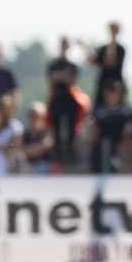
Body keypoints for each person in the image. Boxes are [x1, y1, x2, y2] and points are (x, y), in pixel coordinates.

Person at [45, 36, 84, 168]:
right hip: (56, 99)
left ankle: (71, 158)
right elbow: (51, 80)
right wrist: (62, 76)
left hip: (69, 101)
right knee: (55, 132)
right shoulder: (53, 64)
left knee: (72, 131)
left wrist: (60, 76)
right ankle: (57, 159)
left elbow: (72, 81)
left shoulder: (72, 65)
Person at [88, 81, 132, 174]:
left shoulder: (126, 110)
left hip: (121, 141)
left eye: (114, 93)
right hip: (102, 141)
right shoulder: (99, 110)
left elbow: (131, 126)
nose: (112, 96)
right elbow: (93, 125)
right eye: (109, 92)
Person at [87, 21, 126, 100]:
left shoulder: (121, 49)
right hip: (103, 83)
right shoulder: (102, 48)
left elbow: (111, 61)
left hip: (116, 83)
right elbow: (94, 62)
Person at [22, 103, 55, 174]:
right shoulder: (26, 132)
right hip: (28, 165)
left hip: (44, 165)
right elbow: (21, 149)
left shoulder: (47, 131)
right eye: (31, 115)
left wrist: (30, 150)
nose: (33, 118)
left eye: (36, 115)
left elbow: (47, 145)